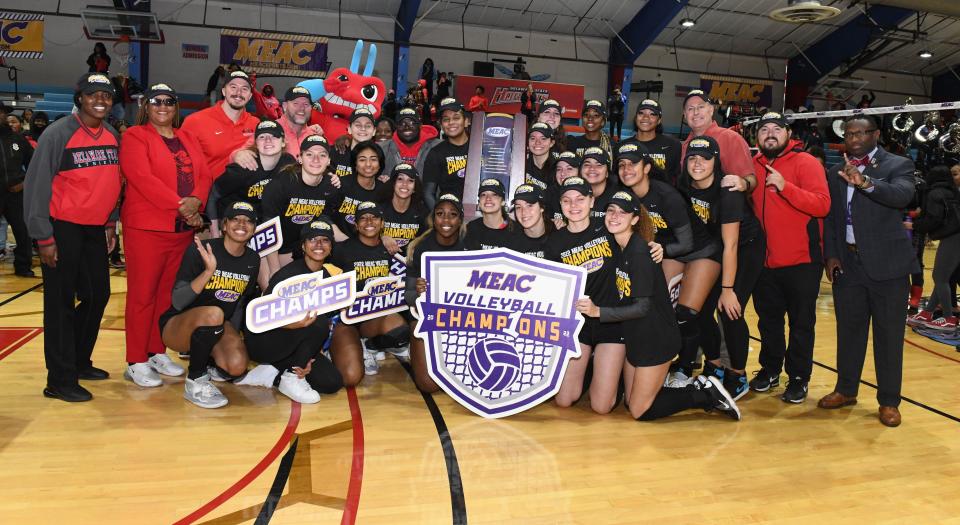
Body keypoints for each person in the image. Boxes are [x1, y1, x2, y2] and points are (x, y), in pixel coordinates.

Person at [589, 191, 740, 421]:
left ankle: (704, 395)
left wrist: (598, 311)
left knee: (640, 411)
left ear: (635, 219)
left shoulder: (639, 251)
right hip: (636, 335)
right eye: (611, 211)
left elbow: (642, 308)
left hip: (656, 338)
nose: (614, 216)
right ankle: (688, 387)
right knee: (632, 401)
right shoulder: (620, 246)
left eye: (623, 212)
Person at [23, 72, 121, 402]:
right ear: (79, 98)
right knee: (60, 305)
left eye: (106, 96)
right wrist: (44, 237)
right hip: (61, 228)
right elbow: (36, 187)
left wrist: (110, 221)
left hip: (94, 228)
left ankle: (78, 361)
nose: (100, 100)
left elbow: (112, 181)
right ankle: (59, 380)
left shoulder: (111, 134)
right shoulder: (57, 134)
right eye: (93, 94)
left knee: (97, 296)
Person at [821, 116, 918, 427]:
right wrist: (832, 255)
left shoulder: (897, 165)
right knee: (849, 332)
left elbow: (902, 196)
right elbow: (832, 218)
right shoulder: (834, 171)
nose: (856, 138)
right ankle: (846, 389)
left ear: (876, 134)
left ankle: (889, 401)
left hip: (888, 267)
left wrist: (864, 182)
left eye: (863, 132)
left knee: (888, 337)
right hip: (848, 265)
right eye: (850, 133)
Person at [119, 82, 214, 387]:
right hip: (147, 228)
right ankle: (136, 359)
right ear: (146, 106)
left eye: (169, 102)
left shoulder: (186, 136)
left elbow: (205, 174)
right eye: (156, 101)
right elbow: (141, 177)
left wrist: (197, 200)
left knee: (165, 295)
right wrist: (182, 206)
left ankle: (156, 349)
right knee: (142, 295)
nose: (163, 106)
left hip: (180, 231)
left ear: (176, 107)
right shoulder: (135, 136)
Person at [617, 142, 718, 386]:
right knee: (658, 307)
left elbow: (687, 242)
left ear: (647, 167)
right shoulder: (625, 197)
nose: (627, 169)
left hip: (700, 250)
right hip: (670, 251)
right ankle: (664, 361)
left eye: (633, 164)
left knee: (687, 314)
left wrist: (660, 250)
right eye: (622, 164)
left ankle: (692, 367)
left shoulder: (666, 196)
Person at [747, 112, 830, 403]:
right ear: (756, 136)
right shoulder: (753, 166)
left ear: (788, 133)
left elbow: (822, 205)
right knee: (768, 322)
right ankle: (770, 369)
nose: (769, 133)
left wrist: (785, 186)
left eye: (776, 129)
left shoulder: (806, 162)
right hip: (764, 263)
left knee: (801, 323)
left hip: (802, 262)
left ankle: (798, 377)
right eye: (763, 129)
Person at [678, 135, 763, 399]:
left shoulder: (727, 191)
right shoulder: (684, 186)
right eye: (692, 157)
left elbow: (732, 243)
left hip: (744, 247)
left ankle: (738, 376)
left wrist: (727, 289)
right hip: (716, 247)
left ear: (716, 161)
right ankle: (713, 366)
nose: (697, 163)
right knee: (701, 311)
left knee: (729, 310)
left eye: (705, 158)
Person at [159, 202, 260, 408]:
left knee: (237, 366)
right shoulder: (202, 250)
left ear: (254, 229)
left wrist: (235, 338)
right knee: (214, 313)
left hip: (218, 324)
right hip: (178, 326)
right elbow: (178, 301)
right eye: (235, 219)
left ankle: (209, 359)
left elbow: (239, 303)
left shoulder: (252, 259)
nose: (242, 224)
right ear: (224, 225)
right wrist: (208, 271)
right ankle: (195, 380)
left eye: (248, 221)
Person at [240, 218, 347, 401]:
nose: (319, 244)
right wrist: (290, 326)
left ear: (330, 247)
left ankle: (272, 373)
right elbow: (259, 322)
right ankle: (290, 377)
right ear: (303, 246)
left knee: (331, 382)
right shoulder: (287, 275)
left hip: (298, 341)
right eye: (312, 239)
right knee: (317, 322)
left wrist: (311, 354)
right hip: (265, 340)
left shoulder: (328, 276)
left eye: (325, 240)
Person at [544, 176, 624, 413]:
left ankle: (612, 377)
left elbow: (636, 242)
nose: (574, 205)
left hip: (611, 318)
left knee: (601, 407)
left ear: (592, 201)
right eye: (567, 200)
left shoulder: (608, 228)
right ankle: (593, 372)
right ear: (560, 205)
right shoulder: (555, 242)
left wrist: (656, 246)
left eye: (580, 199)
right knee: (564, 400)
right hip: (579, 323)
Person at [209, 120, 297, 288]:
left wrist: (332, 178)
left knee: (283, 277)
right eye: (262, 137)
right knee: (269, 282)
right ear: (256, 143)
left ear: (284, 141)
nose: (268, 141)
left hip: (265, 226)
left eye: (274, 136)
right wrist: (215, 232)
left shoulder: (288, 164)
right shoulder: (243, 168)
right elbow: (213, 195)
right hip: (237, 226)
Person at [330, 201, 410, 377]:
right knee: (350, 375)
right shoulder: (342, 250)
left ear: (382, 223)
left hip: (374, 315)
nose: (369, 222)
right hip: (347, 318)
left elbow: (405, 277)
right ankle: (343, 347)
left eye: (374, 217)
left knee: (402, 332)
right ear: (356, 225)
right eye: (363, 218)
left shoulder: (389, 250)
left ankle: (369, 345)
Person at [405, 194, 468, 392]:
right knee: (428, 385)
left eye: (453, 214)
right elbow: (408, 297)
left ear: (460, 219)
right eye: (440, 214)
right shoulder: (420, 247)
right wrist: (417, 291)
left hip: (460, 319)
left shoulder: (469, 246)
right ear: (433, 218)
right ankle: (416, 347)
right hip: (425, 317)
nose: (446, 220)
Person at [261, 134, 344, 279]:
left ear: (329, 160)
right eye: (309, 154)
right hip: (272, 250)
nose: (316, 160)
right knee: (273, 289)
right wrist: (274, 271)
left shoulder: (331, 187)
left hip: (305, 248)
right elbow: (268, 229)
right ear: (300, 158)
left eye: (322, 155)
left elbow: (327, 222)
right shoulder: (281, 184)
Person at [180, 70, 259, 180]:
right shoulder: (195, 121)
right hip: (208, 192)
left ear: (250, 96)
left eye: (244, 89)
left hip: (243, 193)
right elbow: (180, 164)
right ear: (223, 91)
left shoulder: (256, 124)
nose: (239, 93)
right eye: (233, 87)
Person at [910, 165, 960, 329]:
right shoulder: (954, 192)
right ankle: (928, 312)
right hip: (954, 236)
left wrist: (914, 225)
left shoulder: (934, 193)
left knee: (940, 277)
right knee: (942, 276)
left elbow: (934, 219)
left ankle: (948, 318)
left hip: (953, 237)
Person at [681, 90, 758, 194]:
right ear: (685, 115)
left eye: (701, 107)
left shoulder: (731, 138)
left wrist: (744, 183)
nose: (696, 112)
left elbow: (751, 179)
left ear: (711, 110)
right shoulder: (685, 145)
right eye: (690, 108)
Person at [0, 109, 34, 277]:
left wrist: (24, 183)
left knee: (23, 230)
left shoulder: (18, 139)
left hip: (16, 192)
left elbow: (35, 164)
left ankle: (23, 266)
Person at [621, 99, 682, 186]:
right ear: (636, 117)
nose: (645, 117)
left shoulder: (672, 145)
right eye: (641, 113)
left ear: (659, 120)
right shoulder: (623, 146)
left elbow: (676, 179)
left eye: (652, 114)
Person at [423, 98, 470, 207]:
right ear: (441, 125)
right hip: (450, 214)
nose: (451, 123)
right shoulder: (436, 153)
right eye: (446, 119)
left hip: (480, 213)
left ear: (466, 121)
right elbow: (428, 193)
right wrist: (440, 217)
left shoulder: (479, 148)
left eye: (456, 118)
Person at [335, 141, 387, 235]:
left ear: (380, 164)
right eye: (362, 160)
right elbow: (325, 216)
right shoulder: (341, 184)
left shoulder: (384, 191)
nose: (368, 164)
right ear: (355, 164)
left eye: (373, 159)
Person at [379, 163, 429, 254]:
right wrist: (381, 237)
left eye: (410, 180)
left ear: (415, 187)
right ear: (393, 183)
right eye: (400, 179)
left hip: (410, 263)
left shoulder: (422, 212)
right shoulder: (379, 209)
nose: (404, 184)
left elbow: (428, 242)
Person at [380, 107, 440, 178]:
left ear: (420, 125)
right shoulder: (383, 149)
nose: (407, 127)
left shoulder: (438, 147)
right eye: (402, 124)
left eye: (412, 123)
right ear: (396, 126)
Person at [464, 178, 523, 250]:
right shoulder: (471, 228)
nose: (488, 198)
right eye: (483, 194)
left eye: (494, 194)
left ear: (503, 202)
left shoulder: (517, 232)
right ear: (479, 202)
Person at [330, 108, 378, 178]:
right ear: (349, 129)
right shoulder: (334, 152)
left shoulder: (379, 156)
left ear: (374, 131)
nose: (363, 128)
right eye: (358, 125)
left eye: (368, 126)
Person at [511, 184, 552, 258]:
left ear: (542, 207)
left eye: (529, 205)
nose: (523, 212)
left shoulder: (558, 236)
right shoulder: (511, 241)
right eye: (518, 207)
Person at [580, 146, 619, 219]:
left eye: (598, 165)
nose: (592, 168)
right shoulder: (572, 192)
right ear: (581, 170)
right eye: (587, 164)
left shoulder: (618, 196)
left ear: (607, 173)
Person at [545, 151, 581, 226]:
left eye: (569, 169)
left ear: (580, 172)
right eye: (559, 169)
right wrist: (550, 224)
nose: (563, 173)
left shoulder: (587, 193)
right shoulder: (549, 194)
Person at [525, 122, 555, 190]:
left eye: (543, 138)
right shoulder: (521, 164)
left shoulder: (557, 168)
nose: (537, 142)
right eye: (533, 138)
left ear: (552, 143)